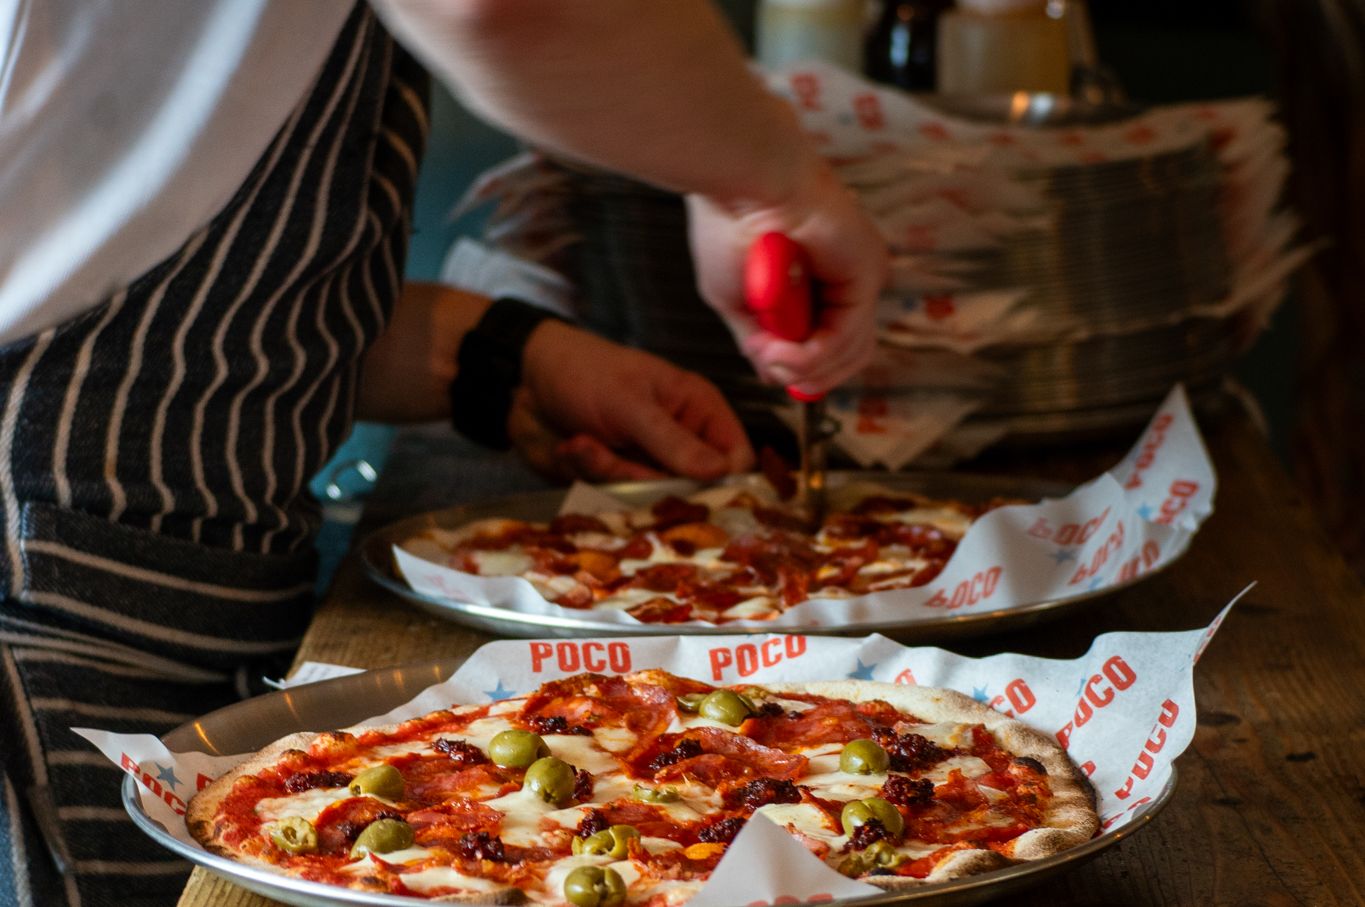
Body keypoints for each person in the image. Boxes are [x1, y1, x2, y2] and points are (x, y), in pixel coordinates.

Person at [0, 2, 887, 904]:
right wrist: (772, 185)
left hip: (188, 626)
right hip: (47, 639)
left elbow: (166, 310)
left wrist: (498, 357)